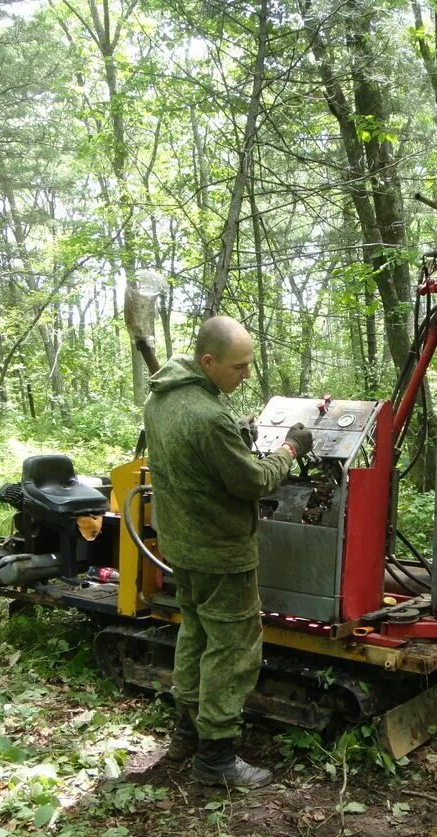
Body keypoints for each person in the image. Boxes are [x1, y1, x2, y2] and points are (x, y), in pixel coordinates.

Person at [143, 316, 313, 788]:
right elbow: (253, 481)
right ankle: (216, 759)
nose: (245, 375)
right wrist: (290, 449)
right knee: (233, 649)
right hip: (221, 551)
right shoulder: (208, 415)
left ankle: (186, 733)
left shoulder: (161, 399)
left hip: (181, 544)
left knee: (194, 636)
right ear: (208, 361)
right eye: (238, 368)